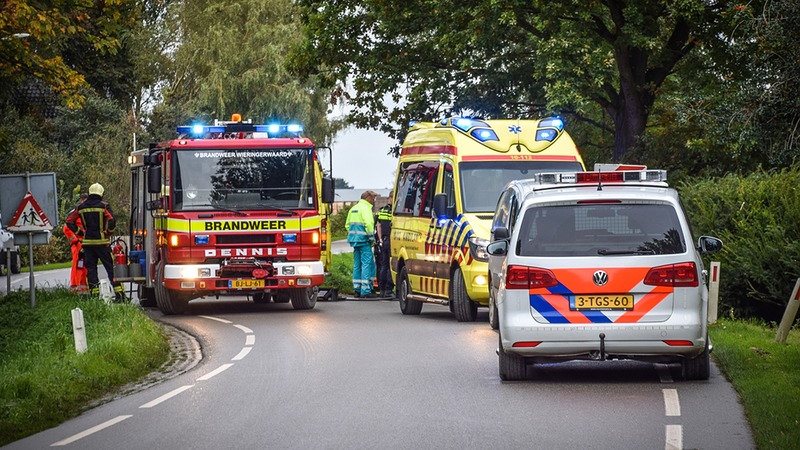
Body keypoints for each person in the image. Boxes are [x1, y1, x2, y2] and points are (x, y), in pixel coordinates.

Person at [66, 183, 125, 301]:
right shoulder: (104, 206)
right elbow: (112, 220)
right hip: (102, 243)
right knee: (111, 268)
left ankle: (93, 296)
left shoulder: (81, 207)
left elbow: (69, 221)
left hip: (88, 244)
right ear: (101, 193)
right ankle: (120, 296)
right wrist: (108, 232)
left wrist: (81, 233)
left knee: (91, 270)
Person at [345, 190, 378, 298]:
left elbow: (347, 225)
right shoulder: (366, 209)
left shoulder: (353, 209)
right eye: (373, 198)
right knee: (367, 264)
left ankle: (357, 289)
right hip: (364, 241)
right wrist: (371, 238)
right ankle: (366, 290)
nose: (374, 201)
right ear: (368, 198)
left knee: (357, 265)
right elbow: (368, 224)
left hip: (355, 241)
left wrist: (354, 235)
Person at [63, 193, 89, 293]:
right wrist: (76, 241)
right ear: (82, 201)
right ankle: (77, 288)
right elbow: (66, 228)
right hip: (78, 245)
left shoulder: (84, 213)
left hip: (85, 244)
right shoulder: (76, 213)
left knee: (84, 267)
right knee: (79, 266)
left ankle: (82, 288)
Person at [375, 190, 394, 298]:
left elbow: (378, 226)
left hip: (384, 240)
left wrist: (380, 239)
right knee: (391, 266)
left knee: (383, 265)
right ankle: (388, 289)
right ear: (391, 198)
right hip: (392, 240)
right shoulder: (393, 211)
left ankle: (381, 289)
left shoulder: (381, 210)